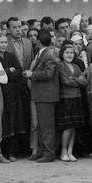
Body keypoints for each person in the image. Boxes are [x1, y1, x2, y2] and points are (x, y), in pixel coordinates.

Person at [27, 30, 59, 163]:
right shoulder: (45, 53)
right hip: (42, 94)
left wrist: (32, 74)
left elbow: (48, 73)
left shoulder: (48, 54)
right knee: (41, 125)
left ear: (39, 42)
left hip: (46, 94)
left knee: (46, 126)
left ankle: (49, 152)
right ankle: (42, 150)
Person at [0, 33, 26, 159]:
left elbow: (19, 71)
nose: (3, 45)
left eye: (5, 42)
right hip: (0, 92)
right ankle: (0, 152)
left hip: (13, 93)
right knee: (2, 121)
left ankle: (11, 152)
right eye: (1, 42)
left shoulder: (11, 55)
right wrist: (9, 71)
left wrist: (6, 73)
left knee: (13, 121)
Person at [56, 42, 86, 161]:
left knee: (74, 127)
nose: (69, 55)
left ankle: (70, 151)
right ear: (62, 54)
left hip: (76, 97)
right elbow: (65, 81)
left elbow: (84, 82)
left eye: (72, 52)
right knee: (67, 126)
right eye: (67, 52)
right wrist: (77, 80)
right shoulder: (60, 66)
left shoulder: (76, 66)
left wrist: (73, 79)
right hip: (66, 98)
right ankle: (63, 151)